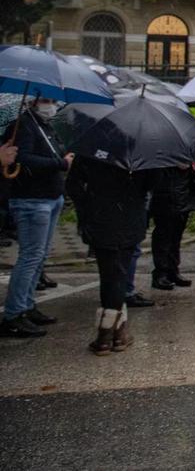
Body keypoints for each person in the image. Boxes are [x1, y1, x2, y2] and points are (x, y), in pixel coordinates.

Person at [65, 157, 153, 354]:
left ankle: (114, 331)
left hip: (100, 218)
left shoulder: (92, 149)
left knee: (109, 274)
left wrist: (89, 204)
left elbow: (73, 185)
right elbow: (155, 184)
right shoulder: (139, 150)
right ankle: (107, 333)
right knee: (118, 274)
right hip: (129, 218)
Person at [0, 99, 71, 339]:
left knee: (39, 256)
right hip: (32, 200)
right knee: (30, 257)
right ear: (32, 101)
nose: (49, 106)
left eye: (52, 101)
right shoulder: (23, 126)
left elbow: (56, 152)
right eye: (45, 101)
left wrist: (63, 157)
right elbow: (24, 159)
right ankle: (14, 314)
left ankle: (27, 305)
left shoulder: (45, 125)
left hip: (51, 197)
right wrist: (60, 163)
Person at [149, 165, 195, 290]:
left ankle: (172, 270)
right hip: (165, 196)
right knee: (163, 236)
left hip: (182, 196)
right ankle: (161, 272)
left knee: (176, 237)